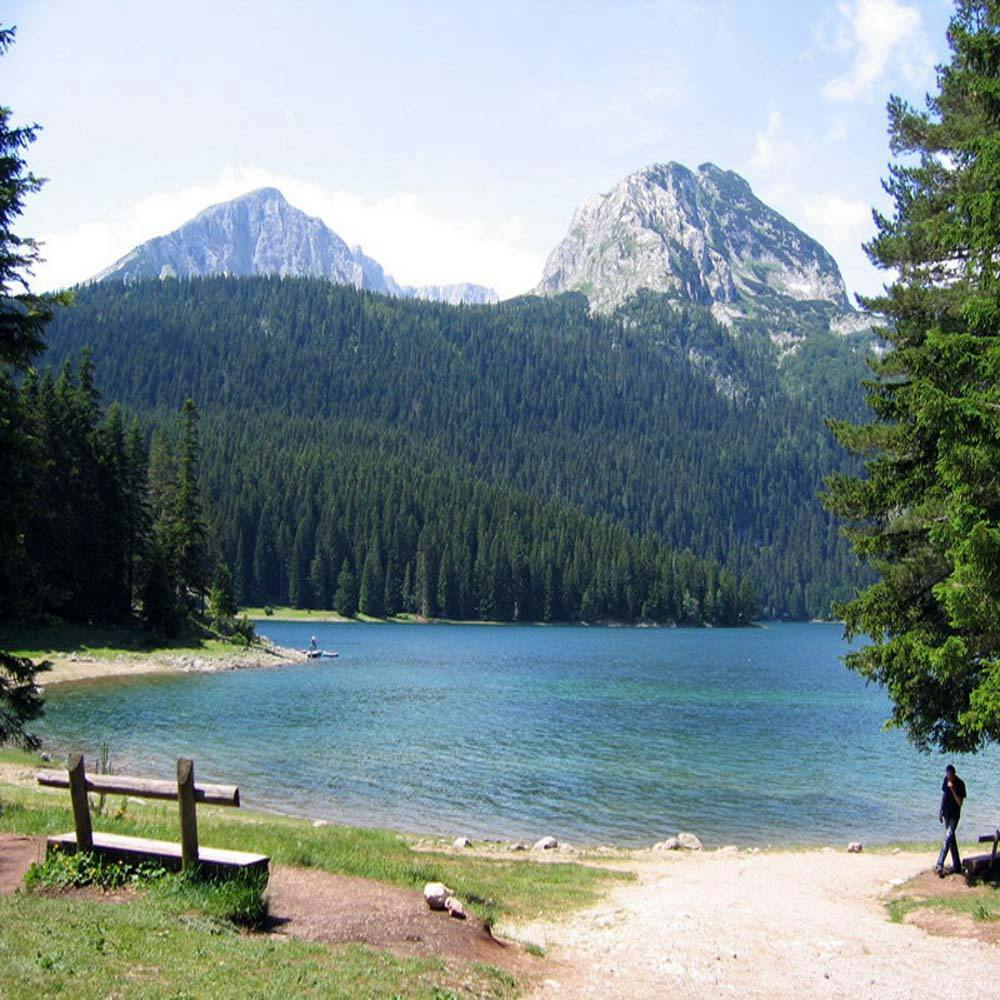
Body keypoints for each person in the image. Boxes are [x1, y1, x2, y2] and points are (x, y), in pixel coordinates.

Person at [935, 764, 967, 877]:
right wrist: (940, 811)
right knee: (951, 839)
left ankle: (939, 864)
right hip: (946, 813)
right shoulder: (945, 780)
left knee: (948, 836)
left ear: (954, 774)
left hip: (954, 815)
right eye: (947, 776)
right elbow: (944, 795)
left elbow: (960, 803)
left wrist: (953, 789)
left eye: (950, 776)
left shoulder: (960, 784)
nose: (948, 778)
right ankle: (957, 865)